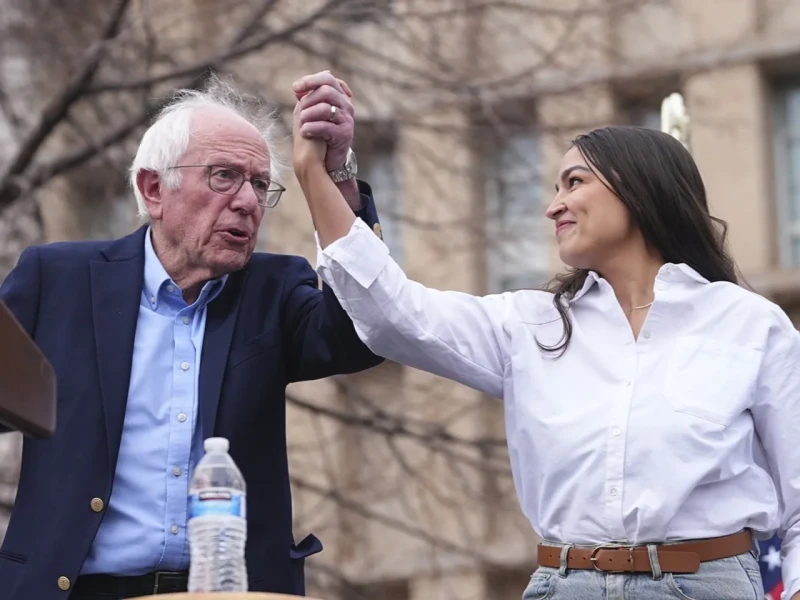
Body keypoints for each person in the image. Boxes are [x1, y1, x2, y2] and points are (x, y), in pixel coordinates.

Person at [291, 89, 800, 600]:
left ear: (641, 188)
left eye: (574, 182)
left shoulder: (750, 326)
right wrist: (320, 175)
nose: (553, 206)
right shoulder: (530, 325)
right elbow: (392, 314)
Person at [0, 72, 384, 600]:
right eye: (225, 176)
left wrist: (334, 178)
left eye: (259, 185)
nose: (247, 201)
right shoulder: (58, 281)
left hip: (231, 591)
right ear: (154, 188)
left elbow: (363, 333)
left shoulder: (274, 290)